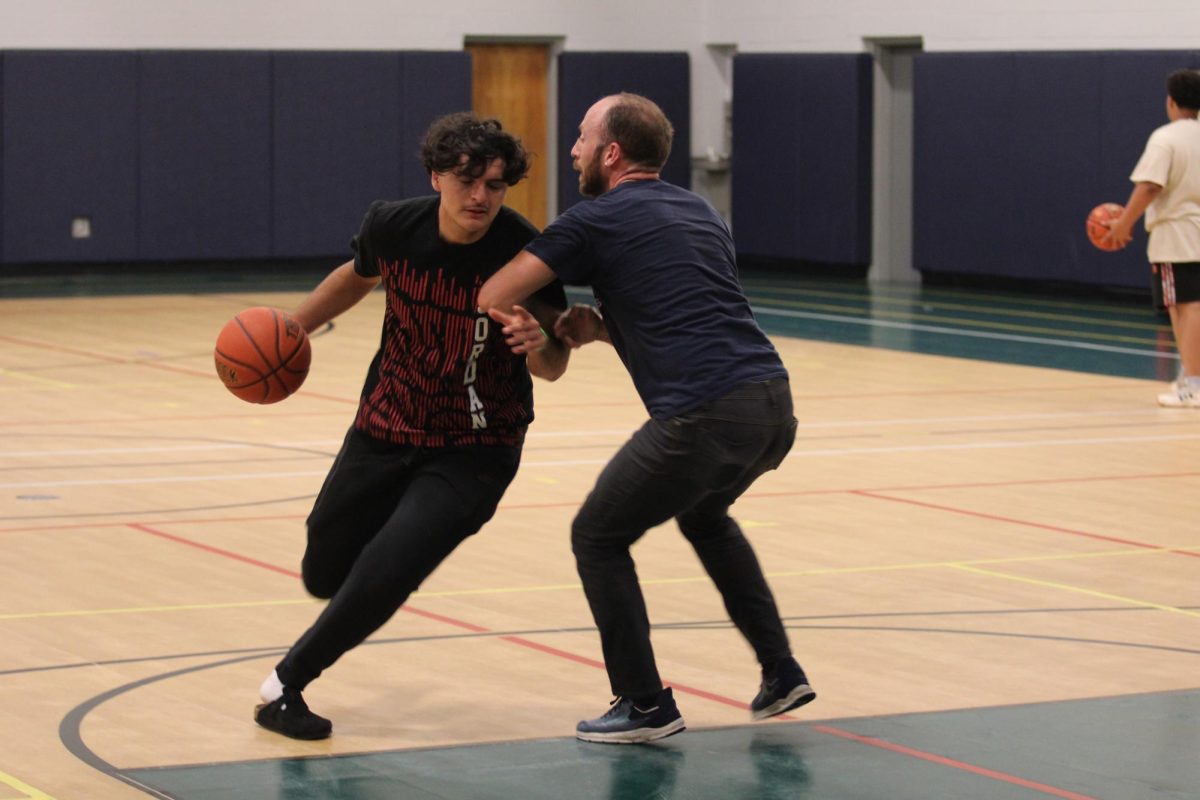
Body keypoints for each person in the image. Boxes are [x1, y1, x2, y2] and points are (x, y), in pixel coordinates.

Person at [478, 92, 815, 744]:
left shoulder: (593, 219)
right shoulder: (700, 211)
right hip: (773, 404)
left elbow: (495, 292)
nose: (572, 149)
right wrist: (601, 329)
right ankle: (781, 670)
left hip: (705, 411)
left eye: (581, 137)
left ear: (611, 152)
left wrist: (536, 323)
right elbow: (687, 309)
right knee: (705, 517)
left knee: (596, 538)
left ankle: (644, 703)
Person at [253, 112, 569, 740]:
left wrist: (538, 344)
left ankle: (283, 687)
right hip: (387, 422)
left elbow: (553, 361)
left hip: (476, 445)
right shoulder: (393, 226)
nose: (480, 196)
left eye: (496, 184)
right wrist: (293, 330)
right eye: (466, 179)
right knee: (325, 570)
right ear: (436, 177)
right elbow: (358, 277)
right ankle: (366, 567)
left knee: (390, 567)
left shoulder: (527, 251)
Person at [1104, 68, 1200, 408]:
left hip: (1176, 235)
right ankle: (1191, 378)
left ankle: (1192, 383)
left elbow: (1149, 185)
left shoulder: (1166, 138)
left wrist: (1123, 225)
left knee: (1185, 308)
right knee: (1190, 306)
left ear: (1171, 102)